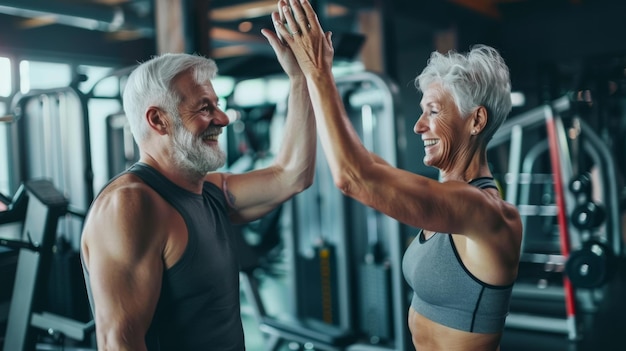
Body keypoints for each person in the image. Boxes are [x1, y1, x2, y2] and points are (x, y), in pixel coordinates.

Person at [267, 0, 522, 350]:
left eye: (433, 112)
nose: (419, 126)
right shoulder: (447, 196)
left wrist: (319, 71)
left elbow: (353, 177)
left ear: (476, 120)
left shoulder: (483, 211)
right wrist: (302, 77)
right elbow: (359, 161)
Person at [79, 22, 316, 351]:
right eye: (205, 108)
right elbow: (119, 342)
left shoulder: (208, 191)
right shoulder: (130, 205)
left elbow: (294, 175)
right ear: (158, 120)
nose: (223, 119)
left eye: (216, 105)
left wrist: (300, 77)